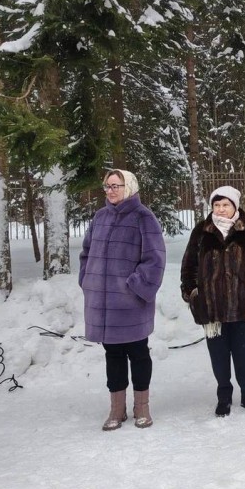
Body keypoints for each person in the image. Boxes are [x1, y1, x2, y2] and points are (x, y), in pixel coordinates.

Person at [79, 169, 166, 430]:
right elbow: (86, 253)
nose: (111, 190)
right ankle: (117, 410)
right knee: (112, 355)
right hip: (104, 304)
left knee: (138, 353)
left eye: (116, 185)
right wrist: (87, 279)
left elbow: (155, 259)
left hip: (131, 304)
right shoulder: (100, 217)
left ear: (129, 187)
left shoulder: (143, 217)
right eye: (107, 186)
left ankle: (142, 408)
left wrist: (135, 286)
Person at [180, 186, 245, 417]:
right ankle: (224, 396)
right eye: (217, 205)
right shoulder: (202, 231)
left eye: (225, 205)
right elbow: (189, 264)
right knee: (219, 355)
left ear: (235, 206)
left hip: (244, 305)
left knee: (244, 353)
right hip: (212, 307)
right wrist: (192, 293)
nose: (221, 209)